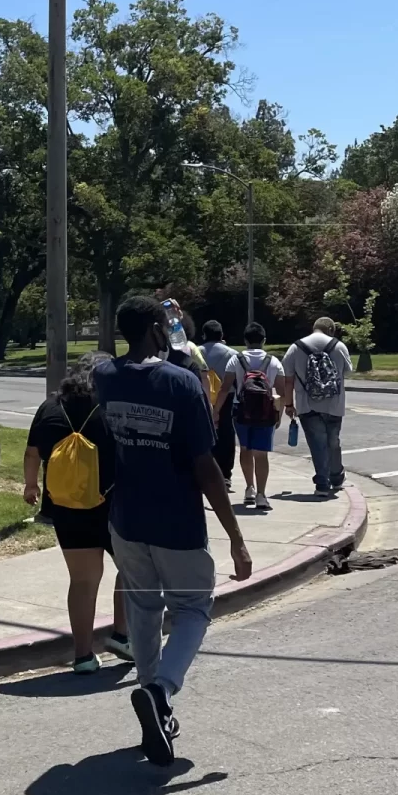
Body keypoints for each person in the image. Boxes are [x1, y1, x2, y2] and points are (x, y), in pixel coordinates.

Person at [94, 295, 252, 766]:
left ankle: (150, 698)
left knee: (143, 608)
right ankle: (161, 692)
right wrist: (237, 538)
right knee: (193, 608)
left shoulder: (104, 375)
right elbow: (205, 467)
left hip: (126, 519)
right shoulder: (182, 384)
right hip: (177, 523)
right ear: (160, 329)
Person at [23, 356, 128, 674]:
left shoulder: (49, 408)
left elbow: (32, 453)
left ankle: (83, 656)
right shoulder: (111, 406)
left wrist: (31, 485)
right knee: (132, 569)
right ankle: (123, 636)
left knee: (82, 581)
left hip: (66, 507)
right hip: (112, 503)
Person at [281, 314, 354, 498]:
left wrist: (288, 404)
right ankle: (336, 476)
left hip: (307, 405)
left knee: (317, 444)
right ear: (331, 330)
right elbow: (348, 371)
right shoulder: (338, 346)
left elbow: (288, 380)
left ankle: (322, 484)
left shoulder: (295, 348)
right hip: (334, 404)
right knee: (333, 441)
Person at [225, 323, 283, 513]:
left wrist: (216, 410)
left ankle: (249, 488)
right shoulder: (273, 362)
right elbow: (281, 392)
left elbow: (225, 387)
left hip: (240, 409)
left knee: (245, 449)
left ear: (245, 341)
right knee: (261, 453)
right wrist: (279, 415)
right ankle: (261, 494)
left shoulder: (236, 360)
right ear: (264, 340)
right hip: (266, 412)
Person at [199, 318, 238, 489]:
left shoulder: (195, 352)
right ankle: (225, 474)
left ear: (204, 335)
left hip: (201, 397)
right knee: (227, 434)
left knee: (202, 435)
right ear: (221, 335)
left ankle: (204, 473)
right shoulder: (232, 353)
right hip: (226, 398)